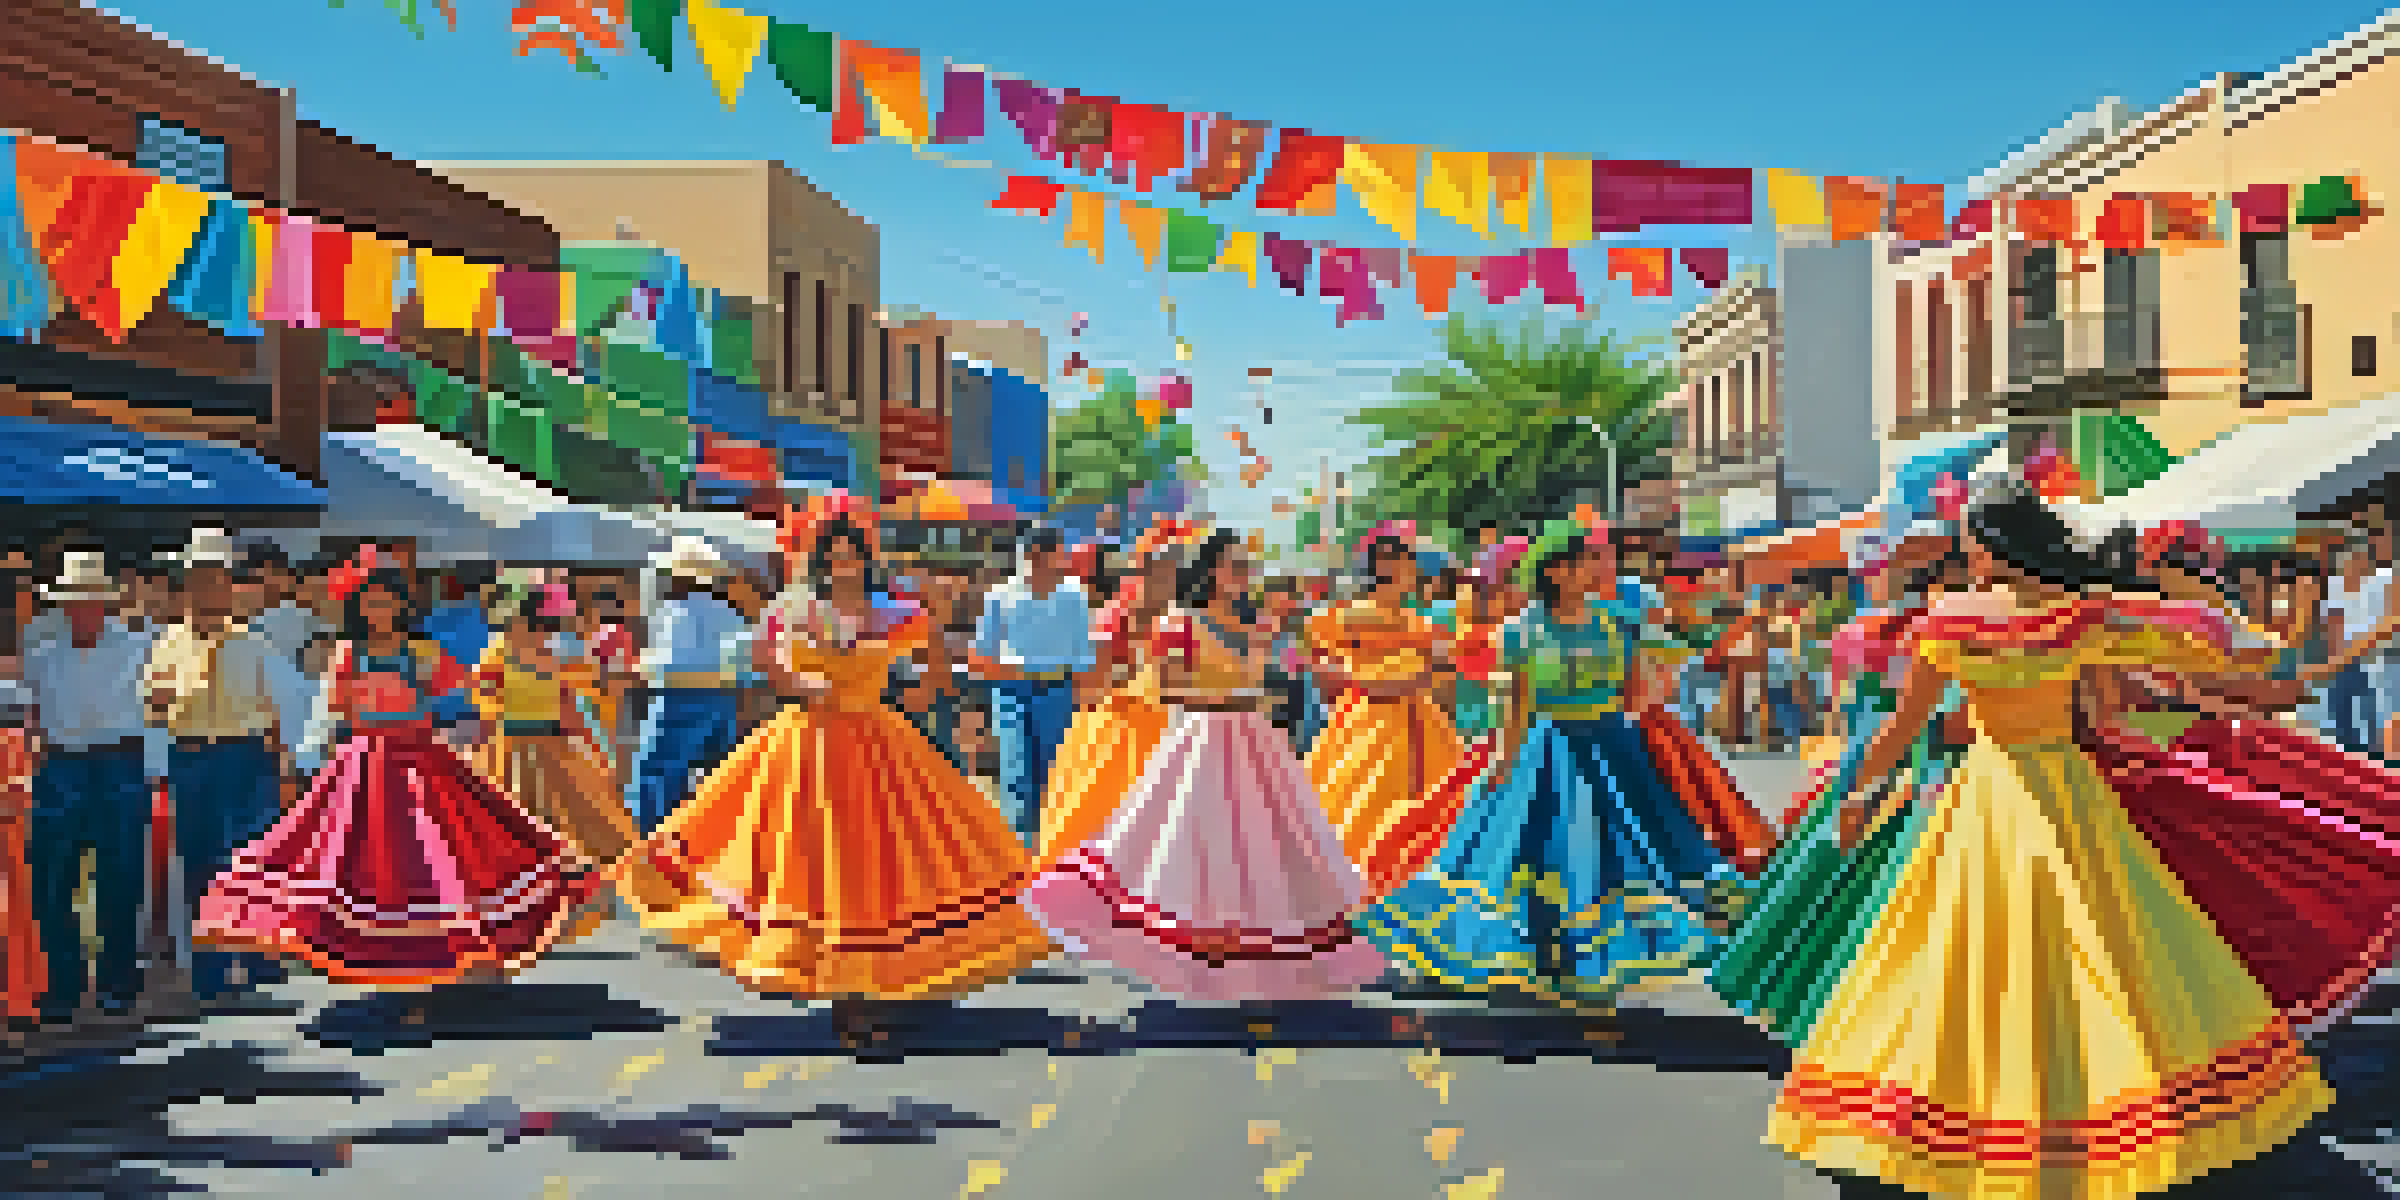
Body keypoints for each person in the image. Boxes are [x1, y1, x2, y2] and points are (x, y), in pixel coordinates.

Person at [1762, 483, 2335, 1198]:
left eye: (1968, 541)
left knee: (1961, 960)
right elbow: (2206, 644)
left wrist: (1859, 791)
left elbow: (1901, 728)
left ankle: (1972, 1114)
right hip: (2069, 792)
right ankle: (2094, 1106)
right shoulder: (2083, 615)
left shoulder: (1952, 619)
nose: (1964, 553)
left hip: (1988, 794)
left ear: (1985, 545)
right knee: (2101, 952)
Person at [612, 498, 1054, 1031]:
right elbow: (769, 667)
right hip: (808, 746)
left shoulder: (896, 612)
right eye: (834, 554)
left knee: (881, 859)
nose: (844, 563)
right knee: (810, 859)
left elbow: (935, 664)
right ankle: (836, 983)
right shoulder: (793, 610)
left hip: (879, 743)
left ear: (868, 557)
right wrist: (803, 687)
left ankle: (873, 984)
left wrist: (914, 700)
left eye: (853, 553)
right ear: (818, 560)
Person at [1357, 520, 1742, 1010]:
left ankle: (1584, 962)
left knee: (1613, 856)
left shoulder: (1617, 619)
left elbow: (1647, 684)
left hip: (1611, 749)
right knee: (1517, 855)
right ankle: (1482, 960)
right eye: (1586, 562)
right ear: (1557, 572)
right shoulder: (1521, 629)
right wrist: (1500, 763)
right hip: (1548, 750)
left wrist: (1687, 638)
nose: (1599, 569)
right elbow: (1515, 706)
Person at [1021, 530, 1388, 1003]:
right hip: (1201, 745)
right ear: (1212, 570)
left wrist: (1258, 676)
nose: (1245, 575)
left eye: (1246, 567)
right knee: (1195, 854)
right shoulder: (1179, 622)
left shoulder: (1251, 625)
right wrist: (1234, 698)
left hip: (1255, 746)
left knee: (1261, 850)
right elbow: (1171, 692)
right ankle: (1204, 957)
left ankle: (1253, 958)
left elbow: (1257, 684)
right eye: (1236, 566)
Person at [194, 564, 605, 985]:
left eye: (388, 600)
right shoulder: (348, 654)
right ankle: (385, 952)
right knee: (362, 864)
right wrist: (313, 760)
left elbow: (463, 701)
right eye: (371, 601)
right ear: (359, 606)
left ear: (402, 604)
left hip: (419, 763)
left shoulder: (422, 652)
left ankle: (462, 948)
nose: (380, 608)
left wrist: (463, 738)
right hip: (363, 768)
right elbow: (333, 714)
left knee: (441, 858)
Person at [145, 529, 288, 1006]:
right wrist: (162, 702)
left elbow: (276, 710)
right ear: (187, 586)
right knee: (201, 863)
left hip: (246, 756)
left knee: (254, 856)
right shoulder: (167, 644)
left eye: (217, 579)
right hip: (192, 756)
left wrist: (281, 762)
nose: (209, 589)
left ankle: (260, 957)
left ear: (229, 586)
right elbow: (151, 708)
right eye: (200, 579)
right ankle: (209, 968)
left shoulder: (256, 642)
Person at [1304, 522, 1479, 900]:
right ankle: (1363, 887)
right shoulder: (1346, 618)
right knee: (1365, 804)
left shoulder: (1424, 623)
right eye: (1410, 560)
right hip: (1370, 724)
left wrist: (1435, 676)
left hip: (1425, 727)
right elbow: (1325, 676)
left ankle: (1412, 891)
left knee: (1433, 808)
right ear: (1383, 562)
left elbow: (1445, 680)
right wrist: (1377, 682)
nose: (1418, 570)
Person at [21, 551, 160, 1023]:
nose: (81, 609)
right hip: (59, 767)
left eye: (89, 600)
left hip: (119, 762)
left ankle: (117, 985)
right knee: (51, 880)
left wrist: (153, 772)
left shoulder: (141, 649)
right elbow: (31, 718)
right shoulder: (40, 655)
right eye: (74, 601)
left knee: (121, 878)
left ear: (105, 602)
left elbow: (158, 715)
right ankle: (61, 987)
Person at [1033, 519, 1191, 872]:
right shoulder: (1112, 618)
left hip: (1169, 740)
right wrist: (1144, 668)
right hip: (1115, 745)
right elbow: (1086, 689)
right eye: (1168, 568)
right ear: (1147, 570)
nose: (1177, 578)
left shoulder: (1182, 620)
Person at [473, 585, 637, 866]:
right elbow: (485, 702)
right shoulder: (496, 655)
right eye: (527, 622)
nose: (537, 630)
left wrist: (591, 746)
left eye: (539, 623)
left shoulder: (551, 656)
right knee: (518, 815)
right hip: (511, 748)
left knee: (574, 816)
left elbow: (568, 703)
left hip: (552, 745)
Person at [967, 528, 1096, 848]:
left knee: (1055, 771)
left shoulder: (1074, 596)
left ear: (1058, 557)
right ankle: (1018, 854)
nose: (1036, 561)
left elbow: (1083, 654)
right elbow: (980, 653)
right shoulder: (999, 595)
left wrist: (1084, 702)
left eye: (1044, 553)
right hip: (1012, 692)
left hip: (1058, 692)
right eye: (1031, 553)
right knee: (1016, 770)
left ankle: (1053, 852)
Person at [628, 538, 750, 835]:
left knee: (656, 774)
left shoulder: (676, 609)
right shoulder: (730, 613)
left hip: (678, 699)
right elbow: (746, 664)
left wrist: (642, 670)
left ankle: (648, 842)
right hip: (723, 700)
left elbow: (671, 663)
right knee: (719, 775)